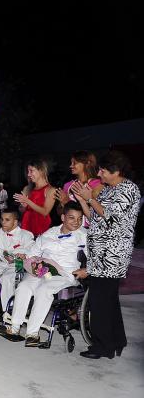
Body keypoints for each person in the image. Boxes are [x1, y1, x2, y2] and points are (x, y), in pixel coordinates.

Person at [71, 151, 141, 359]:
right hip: (100, 253)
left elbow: (112, 217)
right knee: (108, 300)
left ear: (116, 171)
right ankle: (117, 340)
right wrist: (82, 199)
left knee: (99, 301)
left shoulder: (128, 189)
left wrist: (90, 198)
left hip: (112, 255)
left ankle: (103, 346)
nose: (99, 173)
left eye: (103, 170)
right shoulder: (110, 189)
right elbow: (94, 216)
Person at [0, 202, 87, 346]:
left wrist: (86, 270)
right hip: (43, 270)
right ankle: (14, 328)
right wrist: (28, 259)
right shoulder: (49, 233)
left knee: (44, 290)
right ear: (63, 217)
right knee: (24, 286)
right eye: (72, 218)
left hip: (65, 274)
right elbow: (33, 253)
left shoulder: (83, 236)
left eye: (80, 218)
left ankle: (32, 333)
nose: (77, 222)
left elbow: (95, 258)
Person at [0, 209, 34, 319]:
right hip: (1, 262)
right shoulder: (1, 233)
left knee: (6, 278)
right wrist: (3, 253)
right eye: (2, 219)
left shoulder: (25, 235)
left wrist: (24, 254)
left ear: (15, 222)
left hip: (17, 264)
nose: (3, 222)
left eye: (7, 220)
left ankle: (7, 309)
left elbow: (32, 248)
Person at [56, 151, 103, 225]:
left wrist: (68, 202)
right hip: (71, 229)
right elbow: (59, 213)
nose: (71, 166)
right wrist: (62, 205)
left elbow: (99, 213)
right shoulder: (68, 185)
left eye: (74, 163)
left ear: (87, 164)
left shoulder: (97, 184)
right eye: (71, 163)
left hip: (90, 229)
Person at [14, 160, 56, 237]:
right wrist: (23, 206)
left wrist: (28, 201)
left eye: (31, 171)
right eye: (28, 171)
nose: (28, 174)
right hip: (26, 227)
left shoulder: (50, 190)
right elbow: (22, 211)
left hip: (41, 229)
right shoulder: (27, 188)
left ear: (41, 171)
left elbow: (45, 212)